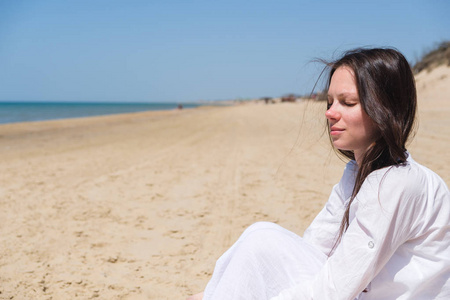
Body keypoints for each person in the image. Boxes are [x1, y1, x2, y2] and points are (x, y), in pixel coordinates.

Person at [187, 48, 450, 300]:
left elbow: (334, 289)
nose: (330, 113)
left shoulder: (398, 184)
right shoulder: (357, 173)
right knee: (261, 240)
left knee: (261, 239)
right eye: (329, 101)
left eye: (347, 103)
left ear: (385, 109)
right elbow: (316, 247)